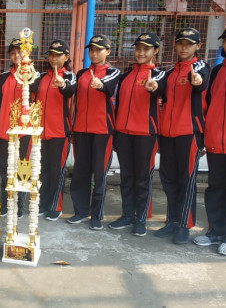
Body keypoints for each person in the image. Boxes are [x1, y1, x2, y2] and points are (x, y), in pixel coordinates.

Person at [156, 27, 210, 244]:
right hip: (167, 133)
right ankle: (171, 220)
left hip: (189, 133)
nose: (184, 47)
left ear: (198, 46)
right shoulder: (170, 73)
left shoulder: (201, 67)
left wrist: (196, 81)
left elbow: (202, 82)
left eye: (189, 43)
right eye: (181, 43)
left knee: (186, 181)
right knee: (168, 179)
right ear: (176, 45)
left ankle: (184, 225)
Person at [110, 32, 166, 236]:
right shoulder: (125, 76)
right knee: (127, 176)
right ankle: (127, 215)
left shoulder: (158, 74)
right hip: (123, 133)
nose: (141, 53)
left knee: (143, 178)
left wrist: (154, 87)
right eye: (138, 48)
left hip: (145, 134)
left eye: (146, 49)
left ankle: (141, 218)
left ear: (155, 51)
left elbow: (161, 87)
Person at [68, 34, 120, 230]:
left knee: (100, 175)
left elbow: (109, 87)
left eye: (99, 49)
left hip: (102, 131)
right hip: (81, 129)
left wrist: (101, 84)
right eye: (92, 50)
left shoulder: (113, 72)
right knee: (80, 173)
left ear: (108, 51)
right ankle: (80, 211)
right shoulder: (81, 73)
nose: (95, 53)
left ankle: (96, 215)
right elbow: (69, 91)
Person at [31, 39, 76, 221]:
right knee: (42, 170)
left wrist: (62, 85)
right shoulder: (41, 76)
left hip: (59, 132)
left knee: (57, 171)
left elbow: (70, 90)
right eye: (51, 55)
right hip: (40, 132)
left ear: (66, 57)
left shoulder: (69, 76)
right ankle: (42, 203)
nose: (53, 59)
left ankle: (55, 206)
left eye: (58, 55)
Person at [193, 26, 226, 255]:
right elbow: (207, 105)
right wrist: (204, 136)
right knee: (215, 188)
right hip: (217, 140)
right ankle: (215, 231)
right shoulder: (217, 72)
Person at [0, 39, 31, 218]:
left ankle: (19, 206)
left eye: (20, 52)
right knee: (5, 168)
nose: (17, 56)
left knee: (22, 169)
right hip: (5, 131)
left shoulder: (33, 75)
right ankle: (7, 203)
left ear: (27, 52)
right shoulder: (4, 76)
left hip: (25, 133)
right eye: (13, 53)